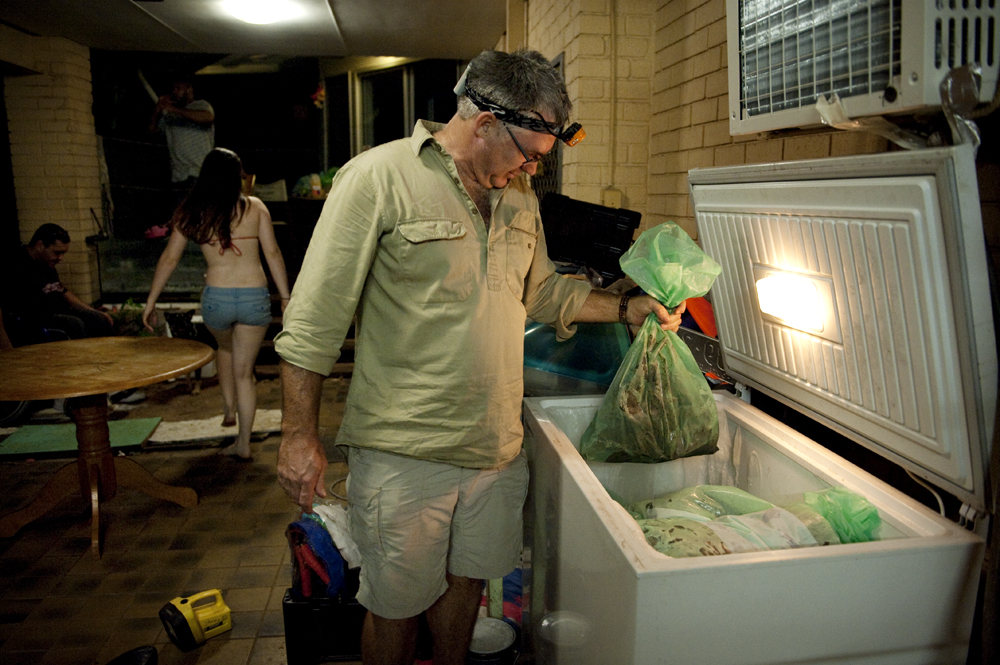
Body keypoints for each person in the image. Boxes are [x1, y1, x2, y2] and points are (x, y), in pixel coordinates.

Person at [274, 49, 685, 665]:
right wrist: (297, 434)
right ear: (485, 121)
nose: (531, 168)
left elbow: (543, 292)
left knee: (467, 586)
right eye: (528, 152)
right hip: (405, 450)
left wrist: (629, 307)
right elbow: (313, 320)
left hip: (495, 449)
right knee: (395, 603)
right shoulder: (378, 177)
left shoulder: (519, 198)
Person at [142, 148, 290, 461]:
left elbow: (169, 258)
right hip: (253, 299)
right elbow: (273, 253)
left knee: (225, 349)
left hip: (217, 300)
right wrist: (286, 297)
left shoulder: (192, 210)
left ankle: (227, 410)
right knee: (244, 374)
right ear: (238, 176)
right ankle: (244, 444)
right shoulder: (255, 207)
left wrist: (151, 300)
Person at [0, 223, 114, 343]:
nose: (61, 258)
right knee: (75, 324)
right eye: (57, 252)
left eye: (63, 253)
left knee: (99, 319)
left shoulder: (47, 262)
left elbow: (63, 292)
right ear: (40, 245)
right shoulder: (15, 265)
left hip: (58, 312)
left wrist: (93, 311)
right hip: (33, 318)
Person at [149, 75, 216, 208]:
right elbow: (151, 131)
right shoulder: (169, 115)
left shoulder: (200, 105)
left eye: (178, 88)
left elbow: (208, 117)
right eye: (173, 88)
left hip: (198, 173)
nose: (174, 91)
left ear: (189, 90)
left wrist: (175, 109)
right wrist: (158, 110)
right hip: (179, 176)